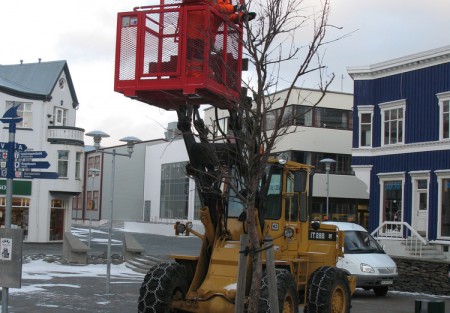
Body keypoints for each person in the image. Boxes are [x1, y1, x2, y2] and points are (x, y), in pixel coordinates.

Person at [184, 0, 255, 77]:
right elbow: (217, 8)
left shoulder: (224, 2)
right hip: (197, 24)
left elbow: (223, 15)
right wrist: (234, 8)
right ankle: (191, 73)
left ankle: (196, 72)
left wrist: (241, 17)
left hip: (207, 30)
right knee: (193, 51)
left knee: (201, 52)